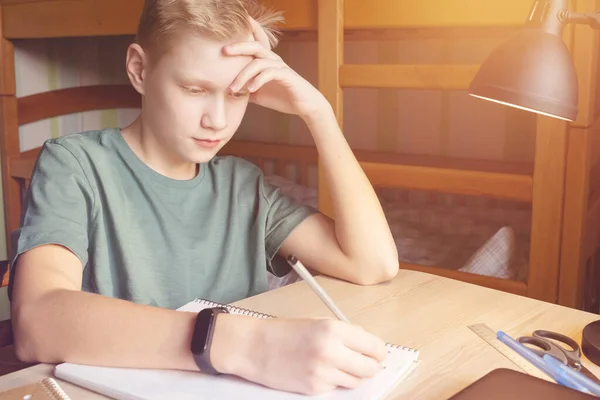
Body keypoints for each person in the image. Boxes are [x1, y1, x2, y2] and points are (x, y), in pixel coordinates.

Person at [8, 0, 399, 395]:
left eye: (237, 94)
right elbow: (35, 321)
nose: (218, 119)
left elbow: (373, 264)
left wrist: (318, 114)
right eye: (194, 89)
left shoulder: (243, 185)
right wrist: (246, 344)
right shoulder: (75, 164)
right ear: (139, 70)